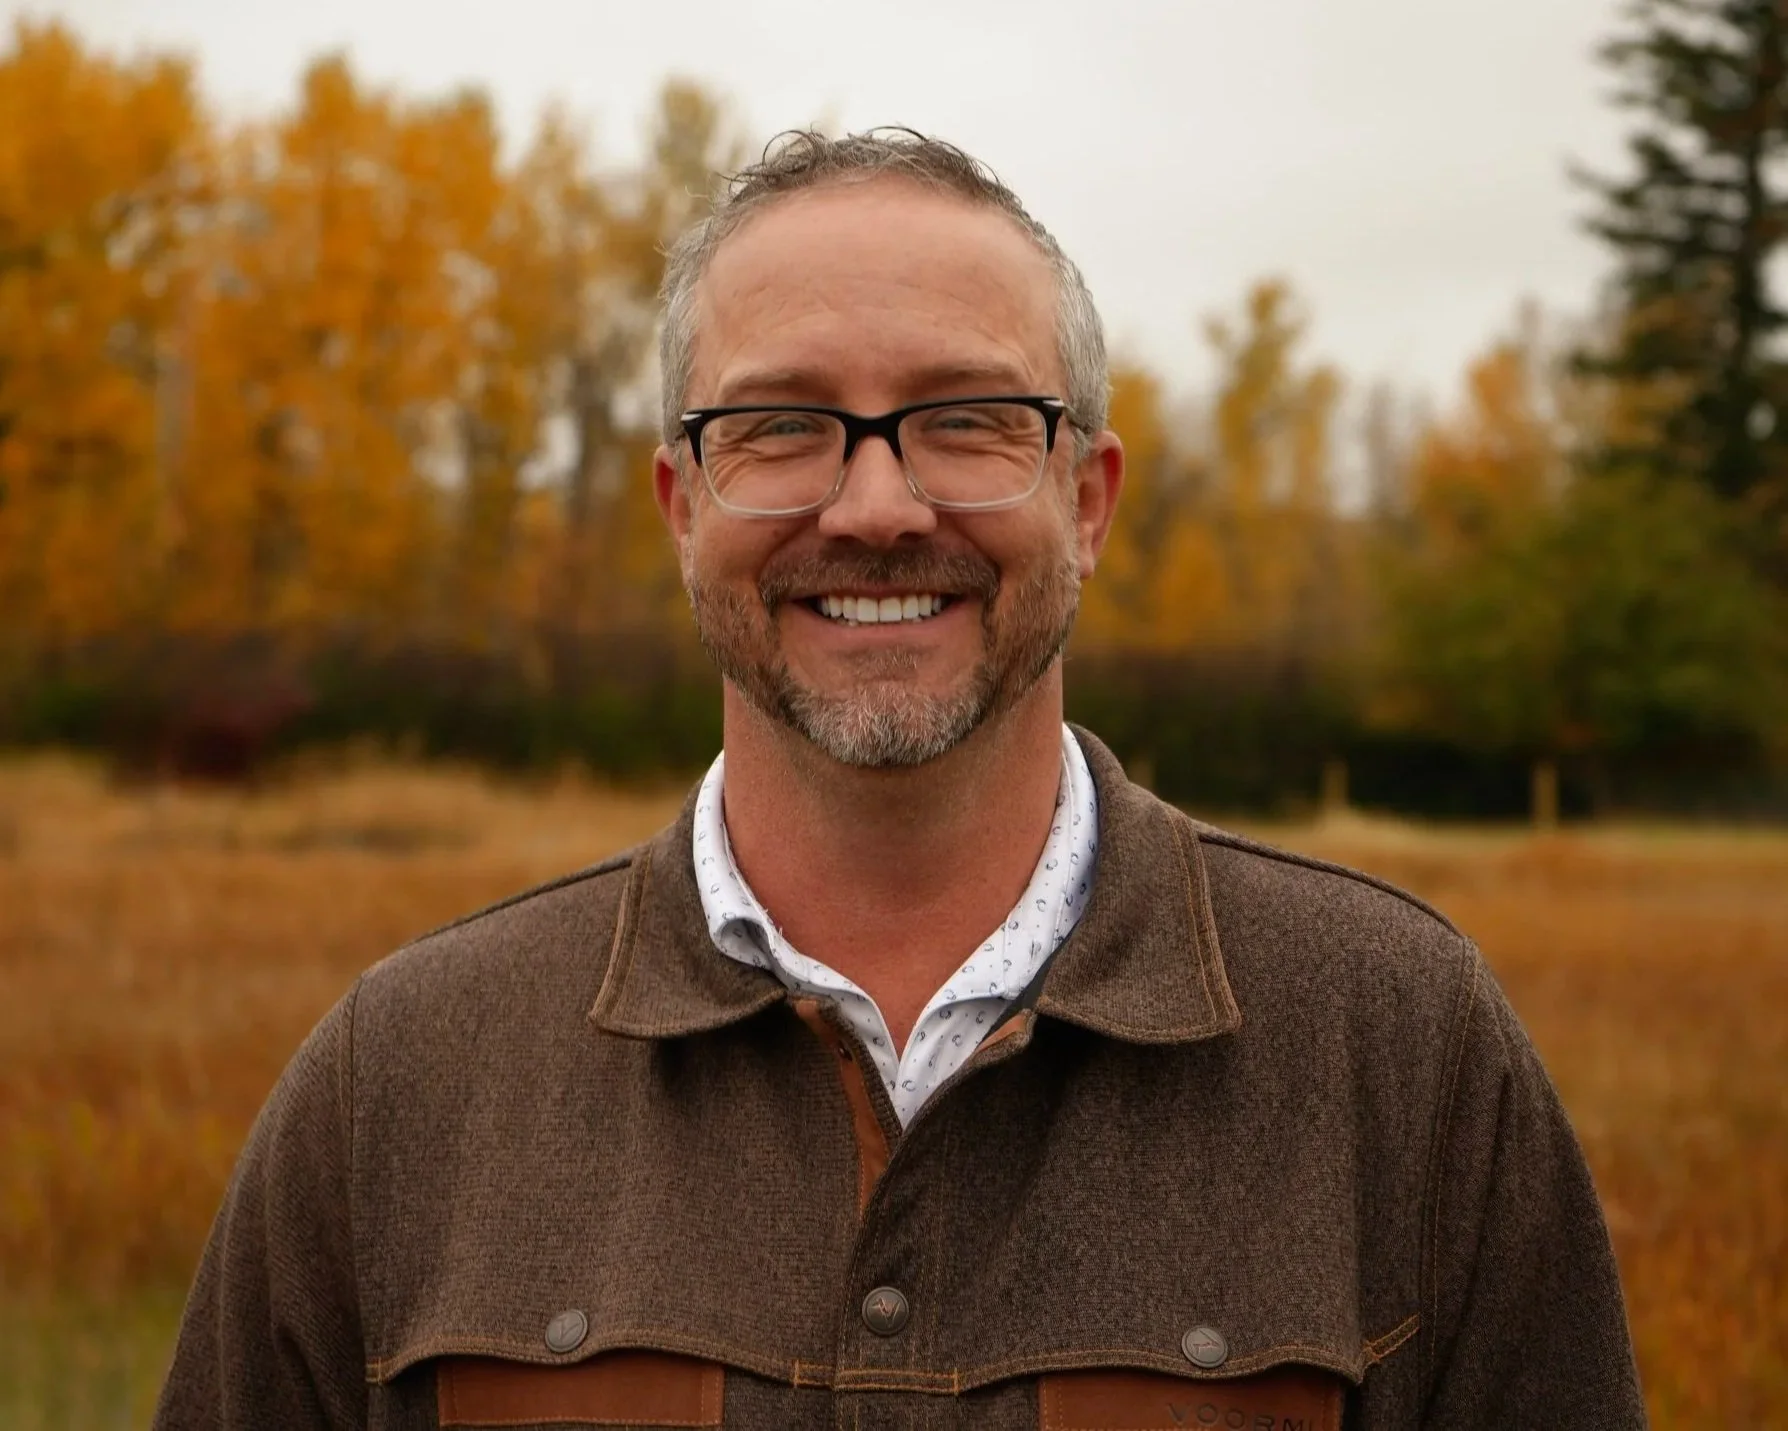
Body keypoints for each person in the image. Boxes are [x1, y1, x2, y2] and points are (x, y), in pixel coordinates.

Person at [154, 129, 1645, 1430]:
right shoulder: (407, 1079)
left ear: (1090, 497)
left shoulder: (1400, 1048)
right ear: (684, 507)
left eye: (967, 419)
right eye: (782, 425)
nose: (876, 506)